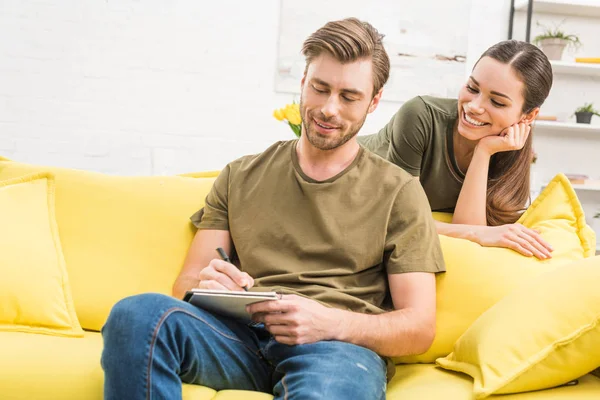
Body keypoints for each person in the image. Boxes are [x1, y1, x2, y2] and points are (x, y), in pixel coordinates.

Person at [100, 18, 445, 400]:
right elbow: (186, 284)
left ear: (374, 101)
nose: (329, 109)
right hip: (237, 337)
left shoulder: (400, 191)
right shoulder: (241, 174)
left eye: (349, 97)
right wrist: (210, 285)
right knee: (136, 316)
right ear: (303, 82)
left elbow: (418, 328)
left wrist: (329, 322)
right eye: (320, 88)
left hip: (335, 349)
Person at [359, 40, 555, 260]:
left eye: (497, 102)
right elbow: (399, 222)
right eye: (472, 88)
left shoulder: (508, 147)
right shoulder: (420, 115)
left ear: (528, 116)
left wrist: (483, 152)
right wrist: (479, 234)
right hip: (342, 184)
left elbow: (467, 244)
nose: (474, 106)